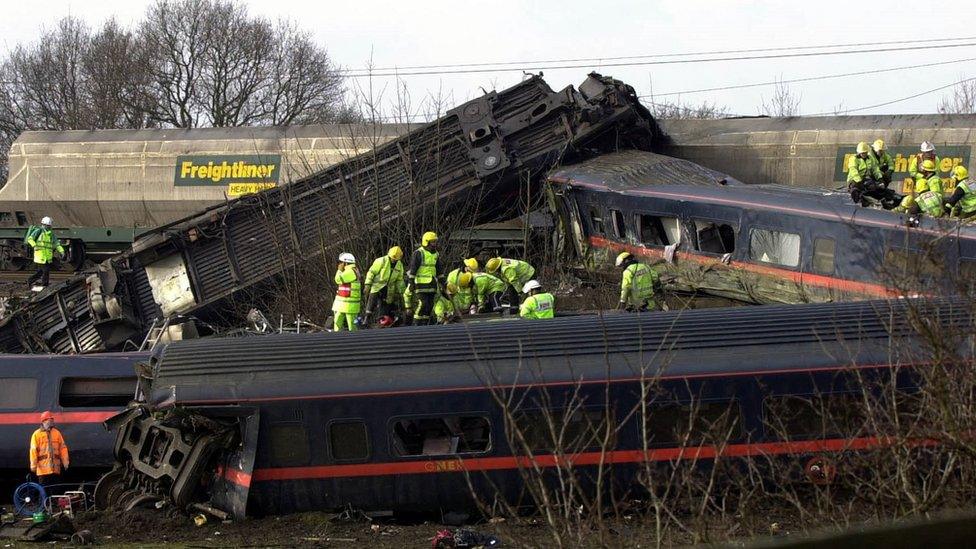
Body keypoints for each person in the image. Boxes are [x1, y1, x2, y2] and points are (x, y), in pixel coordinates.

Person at [406, 231, 445, 325]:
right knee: (422, 304)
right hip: (420, 284)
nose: (434, 244)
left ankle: (425, 323)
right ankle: (416, 323)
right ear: (426, 242)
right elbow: (413, 269)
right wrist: (411, 282)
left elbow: (439, 270)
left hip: (432, 284)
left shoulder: (436, 254)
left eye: (435, 242)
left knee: (429, 305)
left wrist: (443, 282)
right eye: (432, 242)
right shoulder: (418, 253)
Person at [363, 246, 405, 326]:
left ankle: (382, 320)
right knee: (372, 300)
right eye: (393, 258)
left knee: (385, 304)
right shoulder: (381, 261)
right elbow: (371, 272)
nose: (394, 260)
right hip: (377, 285)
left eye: (396, 259)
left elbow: (399, 280)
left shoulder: (399, 265)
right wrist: (367, 284)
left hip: (389, 288)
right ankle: (367, 318)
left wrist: (401, 291)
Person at [29, 411, 69, 489]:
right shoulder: (36, 434)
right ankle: (44, 501)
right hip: (43, 471)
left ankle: (53, 501)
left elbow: (63, 448)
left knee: (55, 492)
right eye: (49, 419)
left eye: (52, 419)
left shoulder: (57, 433)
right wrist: (33, 465)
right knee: (44, 492)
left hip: (55, 470)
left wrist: (65, 462)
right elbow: (33, 451)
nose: (51, 421)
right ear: (43, 421)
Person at [26, 216, 64, 290]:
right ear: (43, 225)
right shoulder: (38, 231)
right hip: (40, 256)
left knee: (40, 272)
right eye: (47, 225)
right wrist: (35, 246)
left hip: (47, 257)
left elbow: (56, 244)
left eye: (49, 226)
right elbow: (30, 239)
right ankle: (45, 285)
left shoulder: (51, 234)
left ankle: (30, 280)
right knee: (45, 271)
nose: (48, 227)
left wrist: (62, 251)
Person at [331, 252, 361, 331]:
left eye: (341, 262)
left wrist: (339, 270)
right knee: (340, 323)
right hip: (344, 304)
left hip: (348, 305)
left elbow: (338, 280)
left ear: (345, 263)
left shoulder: (350, 272)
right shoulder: (353, 270)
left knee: (351, 327)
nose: (339, 264)